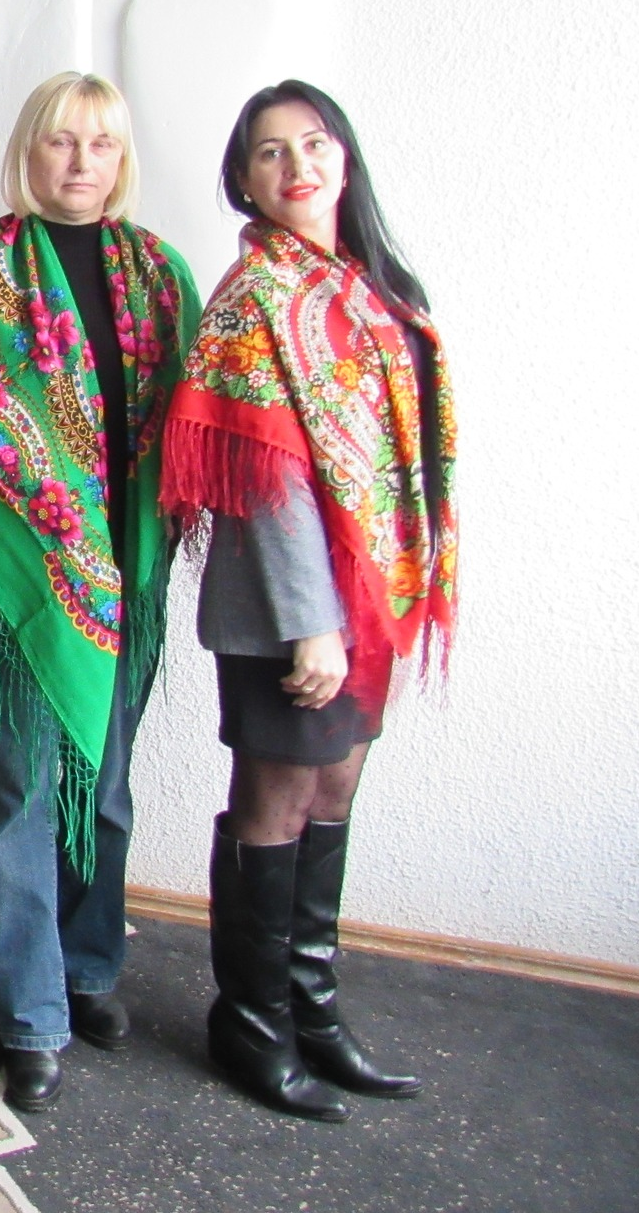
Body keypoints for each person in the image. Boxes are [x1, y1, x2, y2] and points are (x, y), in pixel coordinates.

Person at [163, 80, 453, 1121]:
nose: (297, 166)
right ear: (242, 179)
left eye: (314, 143)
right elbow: (271, 476)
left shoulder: (366, 288)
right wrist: (312, 624)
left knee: (334, 790)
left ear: (344, 157)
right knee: (277, 800)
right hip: (292, 614)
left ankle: (311, 1012)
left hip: (366, 597)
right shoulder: (258, 298)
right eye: (270, 151)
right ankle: (250, 1025)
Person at [0, 72, 200, 1109]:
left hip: (123, 582)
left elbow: (189, 422)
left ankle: (87, 968)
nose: (80, 162)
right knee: (18, 805)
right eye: (60, 142)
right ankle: (29, 1014)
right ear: (27, 154)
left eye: (100, 144)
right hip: (15, 590)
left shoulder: (159, 273)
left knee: (105, 789)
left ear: (121, 159)